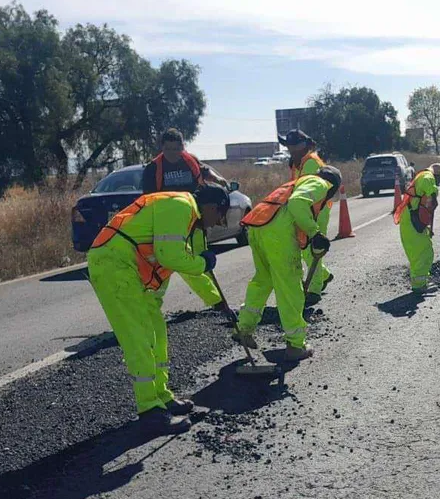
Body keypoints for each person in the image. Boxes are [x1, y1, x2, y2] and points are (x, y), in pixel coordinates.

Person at [87, 186, 228, 432]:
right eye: (219, 216)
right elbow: (170, 257)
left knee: (157, 334)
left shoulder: (184, 216)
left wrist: (217, 302)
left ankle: (162, 396)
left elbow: (185, 266)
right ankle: (149, 409)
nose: (217, 224)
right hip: (113, 265)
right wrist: (203, 262)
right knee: (139, 337)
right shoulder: (181, 207)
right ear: (211, 207)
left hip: (128, 269)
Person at [234, 166, 341, 361]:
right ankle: (295, 344)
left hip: (258, 226)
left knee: (263, 281)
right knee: (290, 286)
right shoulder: (320, 183)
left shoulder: (297, 183)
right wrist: (314, 232)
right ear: (332, 186)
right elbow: (297, 203)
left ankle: (244, 328)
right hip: (278, 234)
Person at [142, 128, 230, 314]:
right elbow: (148, 200)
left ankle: (217, 303)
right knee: (167, 263)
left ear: (183, 147)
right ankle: (150, 308)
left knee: (200, 261)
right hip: (168, 224)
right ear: (162, 148)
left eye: (176, 149)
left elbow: (205, 172)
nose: (173, 154)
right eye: (168, 149)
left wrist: (219, 180)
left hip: (196, 219)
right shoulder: (153, 169)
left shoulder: (191, 161)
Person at [281, 128, 334, 299]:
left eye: (292, 146)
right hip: (305, 209)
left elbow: (306, 190)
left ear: (302, 146)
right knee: (305, 248)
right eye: (288, 146)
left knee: (312, 248)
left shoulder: (311, 163)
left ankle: (314, 290)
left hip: (316, 210)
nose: (289, 150)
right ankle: (324, 275)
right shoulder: (299, 163)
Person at [394, 163, 440, 293]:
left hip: (412, 218)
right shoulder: (428, 177)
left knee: (420, 252)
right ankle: (419, 286)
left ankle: (421, 282)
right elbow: (431, 194)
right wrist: (434, 194)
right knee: (422, 253)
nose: (439, 183)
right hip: (412, 219)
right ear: (438, 175)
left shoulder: (423, 176)